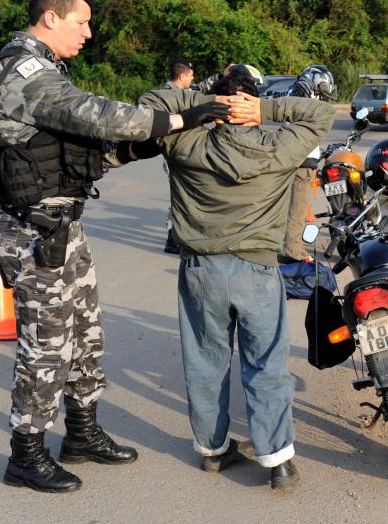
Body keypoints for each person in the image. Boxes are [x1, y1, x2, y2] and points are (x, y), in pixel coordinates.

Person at [0, 0, 234, 493]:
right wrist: (177, 122)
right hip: (33, 233)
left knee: (86, 334)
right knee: (47, 346)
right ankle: (25, 454)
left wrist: (145, 145)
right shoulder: (24, 72)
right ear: (51, 16)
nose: (88, 33)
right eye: (82, 22)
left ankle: (82, 432)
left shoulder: (45, 70)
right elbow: (100, 117)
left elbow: (78, 155)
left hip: (61, 226)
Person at [135, 66, 336, 490]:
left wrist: (205, 105)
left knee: (206, 362)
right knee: (266, 364)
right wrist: (265, 108)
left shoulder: (184, 142)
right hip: (258, 270)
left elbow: (150, 104)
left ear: (216, 103)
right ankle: (277, 460)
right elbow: (321, 114)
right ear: (250, 104)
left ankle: (212, 450)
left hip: (201, 271)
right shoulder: (281, 145)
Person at [280, 64, 337, 263]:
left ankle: (285, 246)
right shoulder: (307, 101)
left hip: (290, 159)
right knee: (297, 209)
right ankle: (293, 251)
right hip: (301, 163)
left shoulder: (293, 96)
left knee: (288, 208)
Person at [163, 58, 195, 254]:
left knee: (183, 194)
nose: (193, 79)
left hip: (182, 150)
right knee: (178, 195)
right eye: (191, 76)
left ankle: (177, 236)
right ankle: (173, 238)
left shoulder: (181, 93)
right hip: (174, 151)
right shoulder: (168, 96)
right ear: (182, 76)